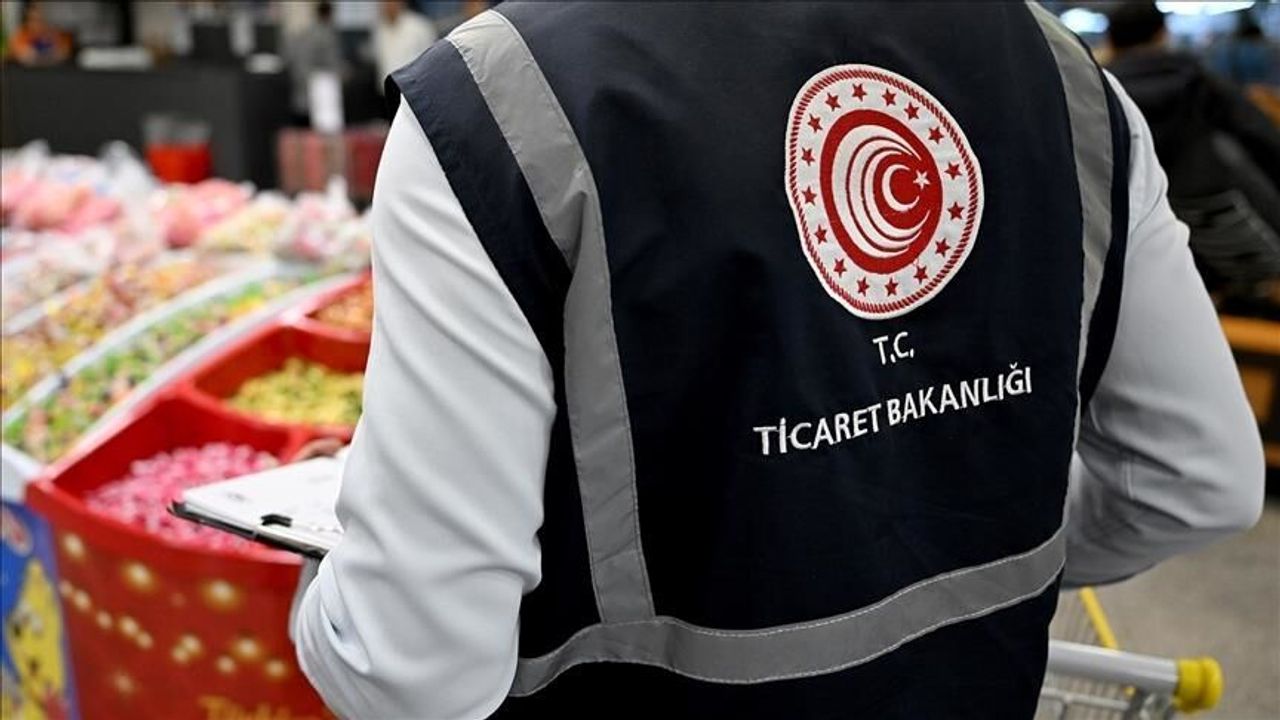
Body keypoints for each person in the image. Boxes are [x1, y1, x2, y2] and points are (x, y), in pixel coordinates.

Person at [292, 4, 1265, 718]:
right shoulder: (1065, 77)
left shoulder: (500, 98)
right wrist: (943, 532)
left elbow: (410, 672)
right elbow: (1199, 481)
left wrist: (313, 586)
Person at [1106, 2, 1280, 297]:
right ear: (1162, 34)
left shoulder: (1102, 94)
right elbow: (1261, 137)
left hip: (1153, 237)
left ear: (1111, 40)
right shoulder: (1197, 79)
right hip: (1228, 217)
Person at [284, 1, 346, 127]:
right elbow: (334, 64)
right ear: (330, 15)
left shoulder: (304, 33)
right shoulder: (327, 35)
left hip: (299, 96)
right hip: (318, 97)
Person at [372, 0, 437, 94]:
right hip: (388, 94)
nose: (388, 5)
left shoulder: (420, 26)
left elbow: (432, 60)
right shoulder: (378, 29)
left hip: (416, 92)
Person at [7, 1, 69, 66]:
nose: (38, 24)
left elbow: (63, 52)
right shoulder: (22, 35)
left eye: (40, 19)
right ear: (28, 20)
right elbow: (19, 53)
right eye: (34, 19)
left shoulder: (55, 34)